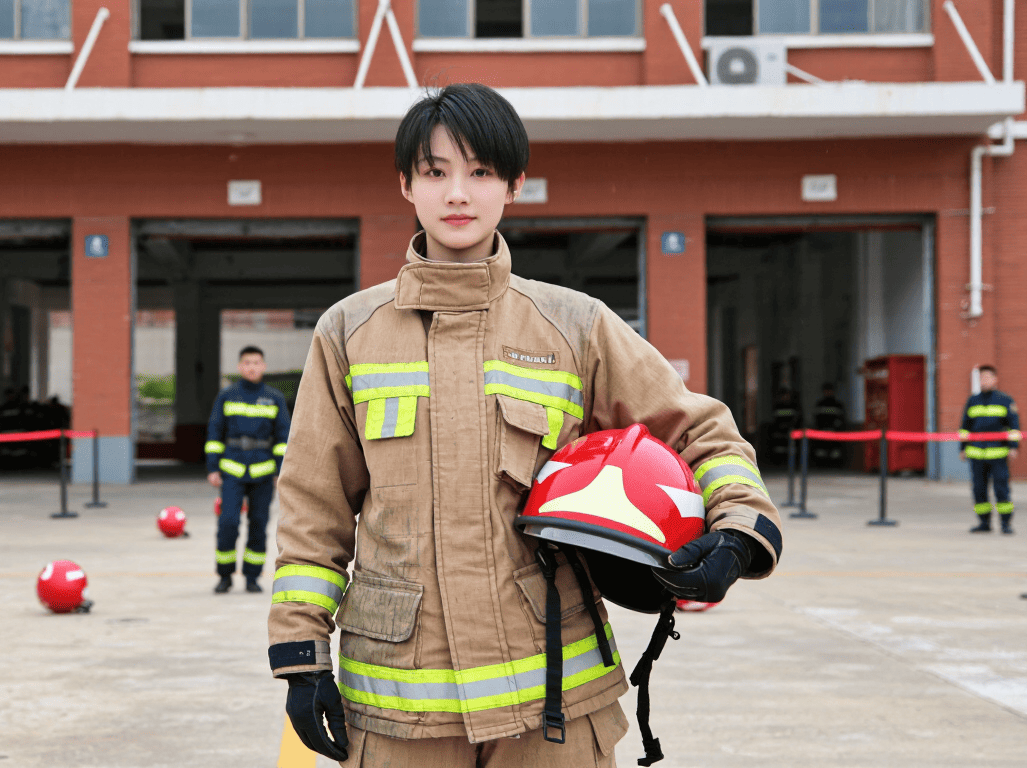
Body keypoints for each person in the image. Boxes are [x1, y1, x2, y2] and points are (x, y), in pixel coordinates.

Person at [267, 84, 782, 767]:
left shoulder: (575, 325)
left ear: (513, 185)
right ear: (406, 185)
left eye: (481, 172)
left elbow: (702, 430)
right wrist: (303, 658)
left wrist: (737, 533)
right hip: (399, 711)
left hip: (553, 705)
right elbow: (315, 507)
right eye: (436, 171)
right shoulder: (348, 333)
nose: (458, 193)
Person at [205, 346, 290, 594]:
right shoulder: (227, 396)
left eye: (256, 363)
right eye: (247, 363)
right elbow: (214, 433)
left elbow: (284, 438)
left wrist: (279, 471)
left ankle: (252, 577)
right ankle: (225, 576)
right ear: (240, 367)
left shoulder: (274, 398)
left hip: (263, 473)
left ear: (263, 366)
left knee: (258, 524)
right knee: (228, 523)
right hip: (231, 470)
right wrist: (212, 467)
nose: (252, 367)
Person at [960, 364, 1020, 534]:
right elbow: (965, 427)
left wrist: (1013, 446)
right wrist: (963, 448)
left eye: (986, 378)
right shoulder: (972, 400)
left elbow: (1014, 426)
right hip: (976, 454)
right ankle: (984, 523)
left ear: (995, 380)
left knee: (1001, 489)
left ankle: (1006, 524)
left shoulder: (1005, 400)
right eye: (981, 378)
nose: (983, 381)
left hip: (998, 454)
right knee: (979, 490)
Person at [812, 383, 847, 467]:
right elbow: (816, 418)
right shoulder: (819, 404)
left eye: (829, 391)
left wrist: (835, 427)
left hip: (834, 432)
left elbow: (841, 419)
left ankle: (835, 465)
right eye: (826, 391)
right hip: (821, 432)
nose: (828, 393)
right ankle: (821, 465)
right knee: (821, 451)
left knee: (835, 452)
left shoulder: (838, 405)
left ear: (833, 392)